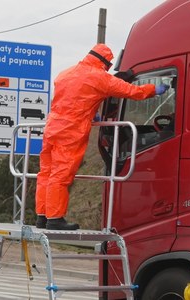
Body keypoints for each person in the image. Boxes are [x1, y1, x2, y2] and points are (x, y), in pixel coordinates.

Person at [35, 44, 169, 230]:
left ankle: (42, 216)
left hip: (52, 128)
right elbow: (131, 91)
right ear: (105, 62)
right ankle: (55, 218)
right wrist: (154, 90)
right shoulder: (100, 77)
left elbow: (72, 99)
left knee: (46, 173)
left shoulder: (64, 74)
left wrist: (91, 113)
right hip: (71, 132)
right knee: (61, 174)